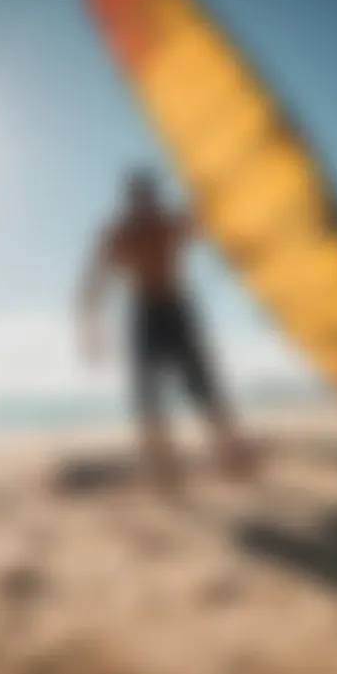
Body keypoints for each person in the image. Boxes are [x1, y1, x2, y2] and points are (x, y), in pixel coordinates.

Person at [76, 169, 258, 493]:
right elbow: (97, 278)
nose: (145, 201)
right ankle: (164, 472)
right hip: (146, 313)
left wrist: (214, 189)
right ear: (129, 198)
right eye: (139, 195)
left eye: (149, 194)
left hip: (177, 308)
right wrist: (90, 327)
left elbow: (211, 220)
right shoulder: (121, 232)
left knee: (203, 385)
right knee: (149, 396)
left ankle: (231, 457)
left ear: (154, 195)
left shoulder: (169, 223)